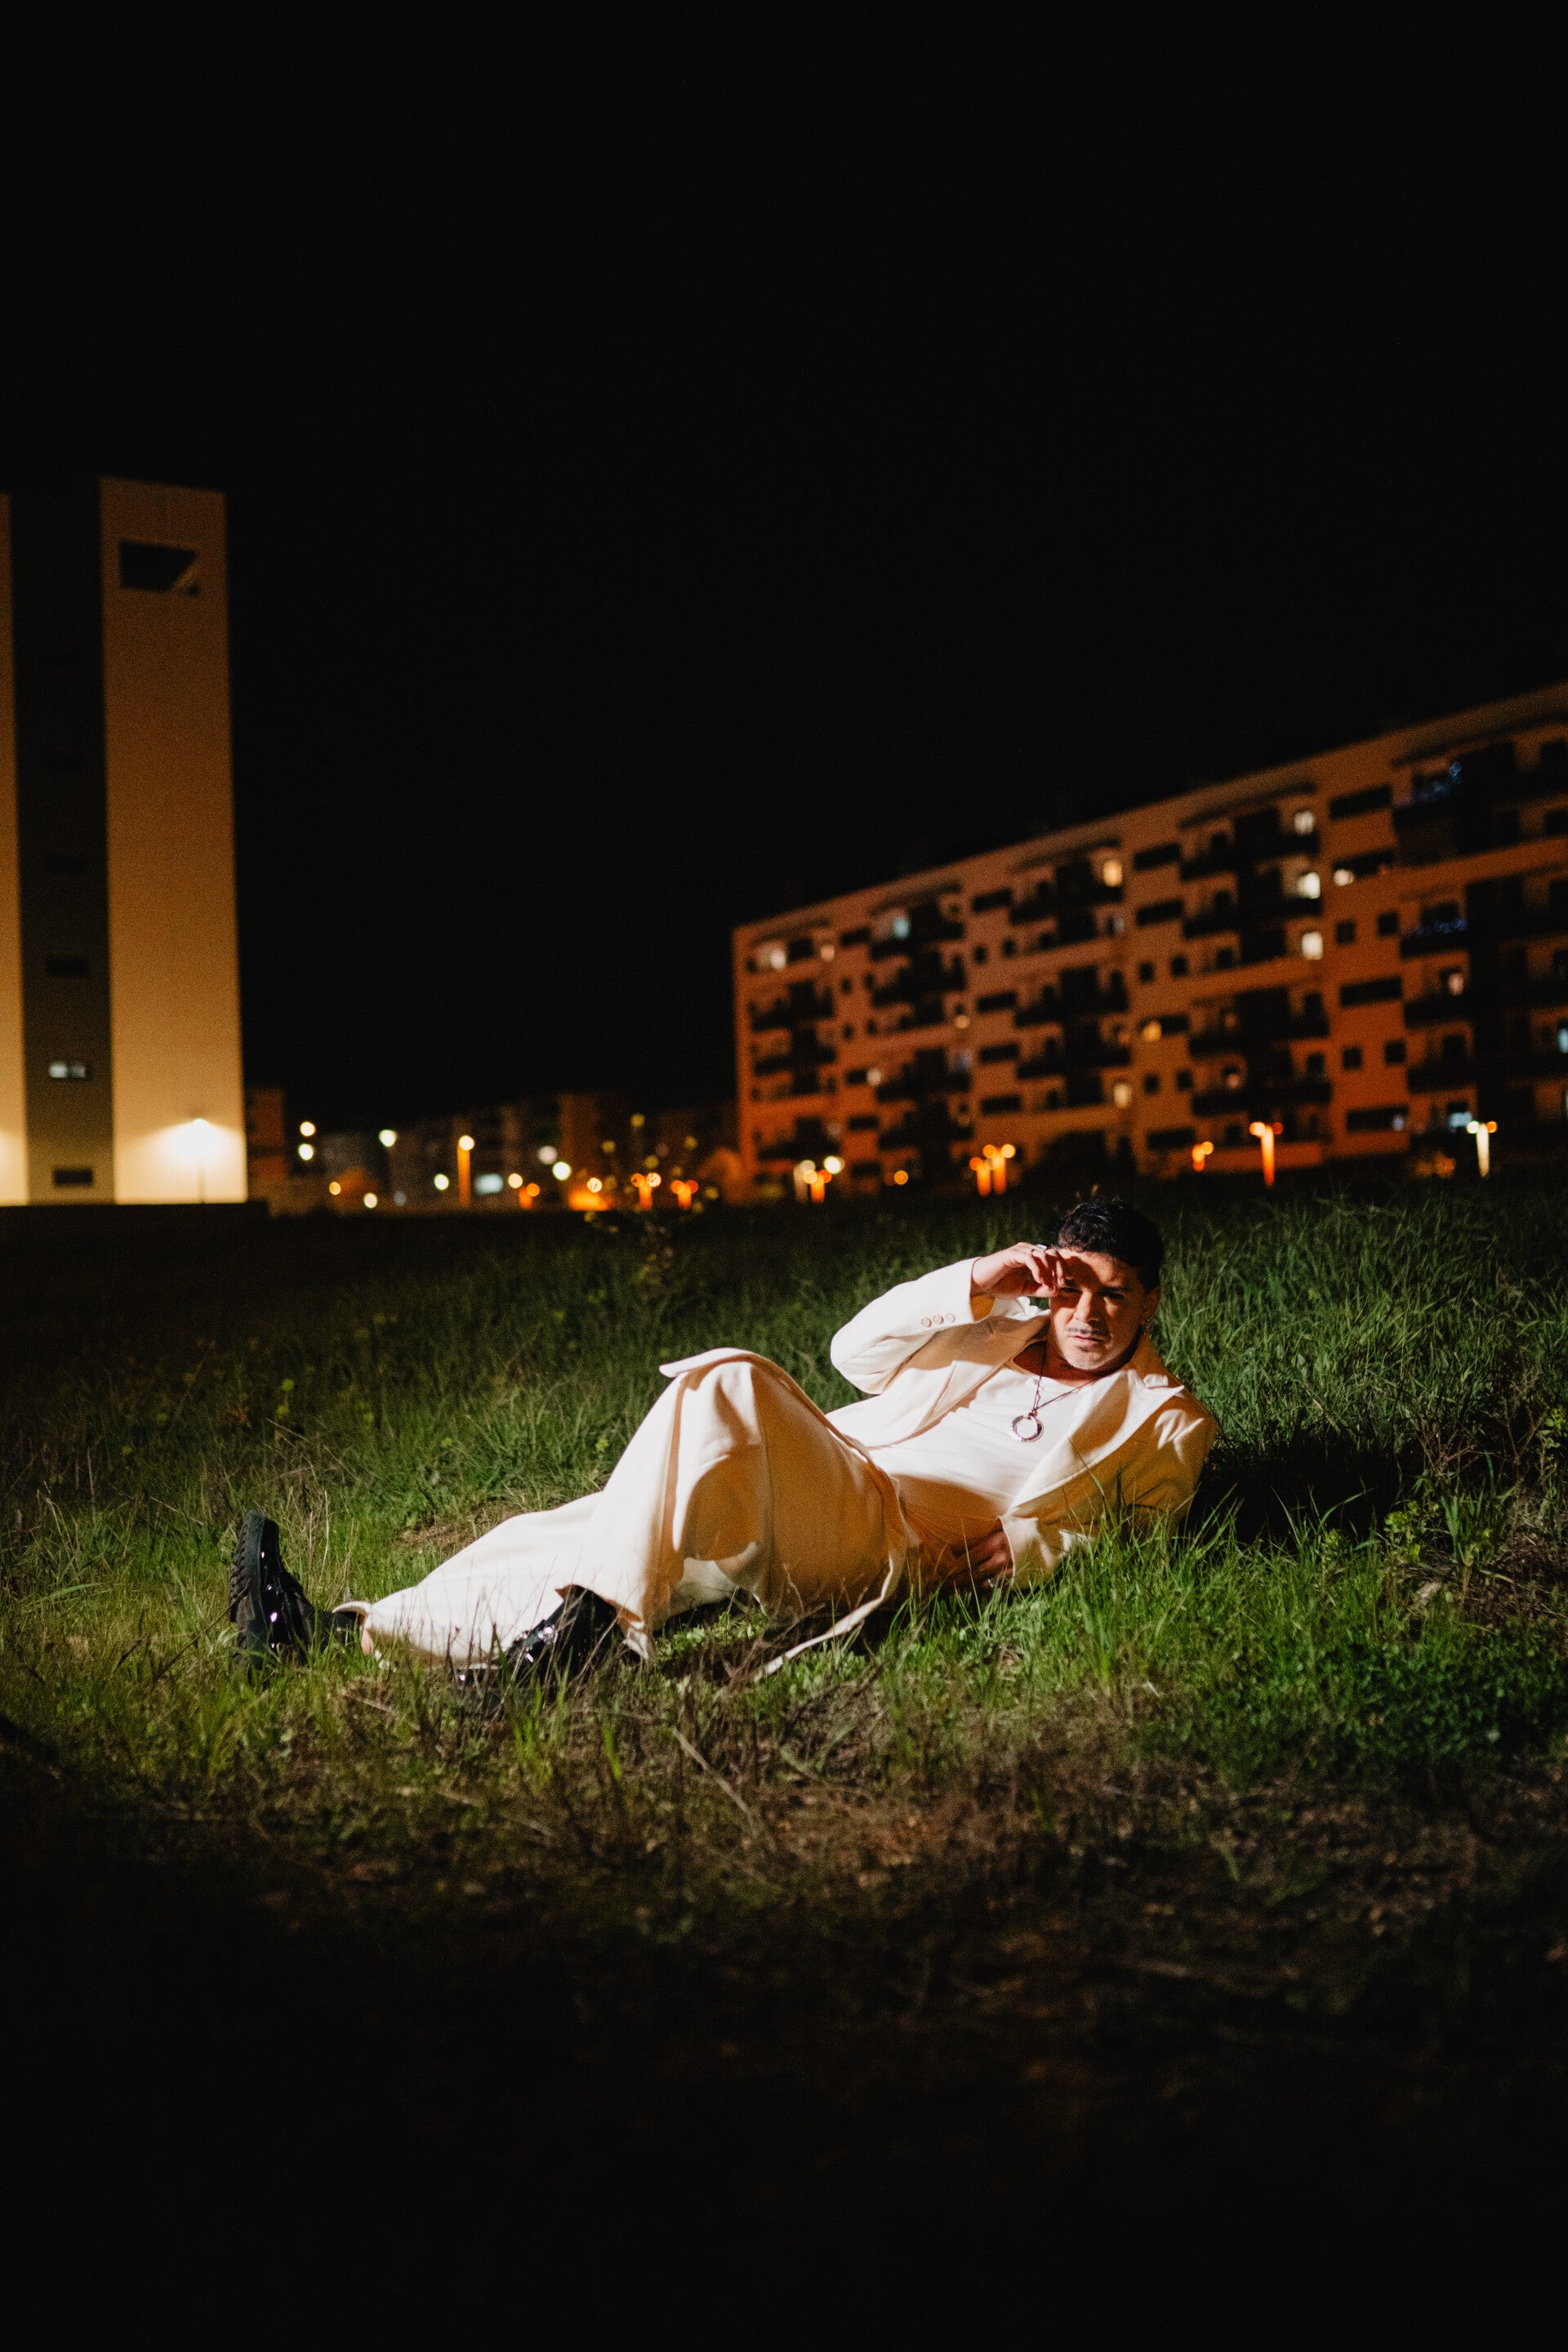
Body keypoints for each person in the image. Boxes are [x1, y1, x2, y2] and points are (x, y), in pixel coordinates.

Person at [229, 1196, 1216, 1682]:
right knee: (567, 1532)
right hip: (829, 1482)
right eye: (1073, 1287)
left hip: (889, 1537)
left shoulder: (1164, 1414)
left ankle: (583, 1639)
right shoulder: (997, 1328)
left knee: (728, 1378)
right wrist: (978, 1281)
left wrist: (1033, 1548)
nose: (1089, 1313)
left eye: (1116, 1294)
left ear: (1151, 1300)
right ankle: (335, 1633)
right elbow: (854, 1351)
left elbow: (1153, 1520)